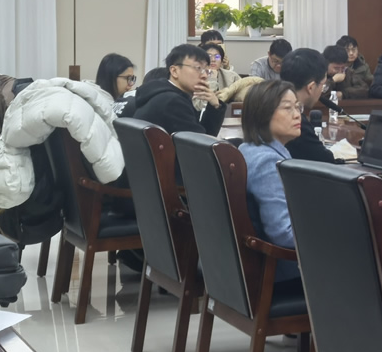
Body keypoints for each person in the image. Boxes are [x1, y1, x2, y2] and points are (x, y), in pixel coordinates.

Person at [237, 80, 307, 248]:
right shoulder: (267, 162)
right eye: (287, 108)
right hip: (284, 260)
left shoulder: (247, 148)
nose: (297, 115)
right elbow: (283, 234)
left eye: (297, 107)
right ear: (263, 113)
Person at [124, 44, 227, 139]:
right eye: (198, 68)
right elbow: (201, 146)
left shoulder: (162, 94)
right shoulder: (173, 102)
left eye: (207, 71)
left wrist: (215, 106)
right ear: (174, 71)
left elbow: (203, 139)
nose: (204, 75)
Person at [278, 48, 343, 164]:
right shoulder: (295, 122)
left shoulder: (273, 107)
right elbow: (326, 161)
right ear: (311, 87)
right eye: (323, 85)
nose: (321, 90)